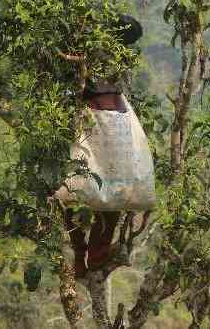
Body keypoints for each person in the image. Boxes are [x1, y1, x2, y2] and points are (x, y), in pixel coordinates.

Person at [57, 14, 145, 277]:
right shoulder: (112, 57)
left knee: (73, 188)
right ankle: (91, 252)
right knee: (107, 190)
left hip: (96, 117)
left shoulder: (92, 51)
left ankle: (85, 252)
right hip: (109, 119)